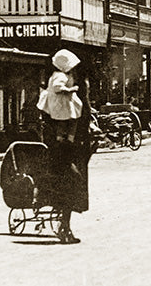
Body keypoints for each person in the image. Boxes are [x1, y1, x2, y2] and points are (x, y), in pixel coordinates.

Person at [51, 72, 91, 244]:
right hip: (64, 154)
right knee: (72, 183)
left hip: (68, 152)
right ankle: (64, 227)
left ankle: (65, 226)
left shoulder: (73, 104)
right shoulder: (67, 106)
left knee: (73, 184)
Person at [38, 49, 82, 144]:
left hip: (64, 101)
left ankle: (65, 138)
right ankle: (65, 139)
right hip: (60, 102)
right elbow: (57, 88)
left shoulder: (62, 75)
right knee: (65, 121)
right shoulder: (60, 76)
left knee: (69, 120)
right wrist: (71, 89)